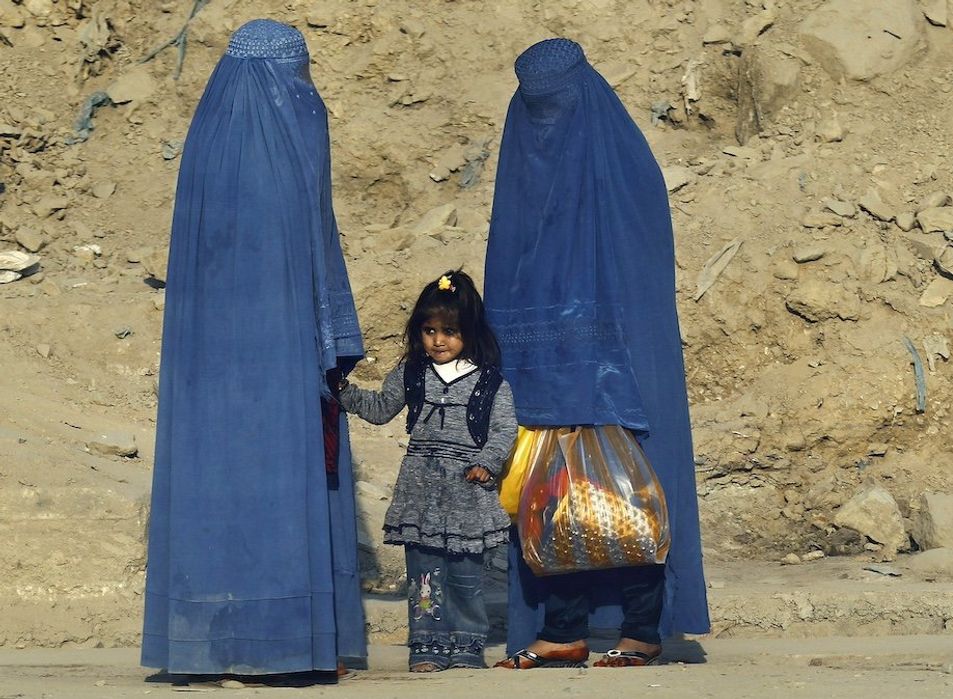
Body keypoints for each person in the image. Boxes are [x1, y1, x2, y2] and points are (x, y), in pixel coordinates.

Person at [141, 19, 367, 681]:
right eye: (300, 75)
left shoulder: (208, 142)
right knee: (279, 478)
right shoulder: (291, 141)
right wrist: (335, 340)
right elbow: (316, 253)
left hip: (206, 370)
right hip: (281, 358)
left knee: (217, 484)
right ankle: (284, 644)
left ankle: (207, 644)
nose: (306, 91)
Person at [484, 38, 710, 669]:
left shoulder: (624, 166)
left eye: (554, 104)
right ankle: (562, 629)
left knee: (627, 493)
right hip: (546, 360)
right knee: (554, 497)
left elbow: (636, 274)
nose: (544, 119)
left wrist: (600, 353)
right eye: (534, 106)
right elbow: (511, 262)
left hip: (621, 366)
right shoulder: (524, 161)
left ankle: (640, 630)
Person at [337, 270, 516, 672]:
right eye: (429, 330)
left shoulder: (491, 383)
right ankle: (428, 645)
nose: (439, 340)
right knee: (424, 575)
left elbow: (505, 430)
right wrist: (343, 392)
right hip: (420, 489)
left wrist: (487, 463)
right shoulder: (411, 373)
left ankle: (468, 645)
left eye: (450, 331)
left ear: (469, 331)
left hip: (467, 491)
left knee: (468, 576)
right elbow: (381, 408)